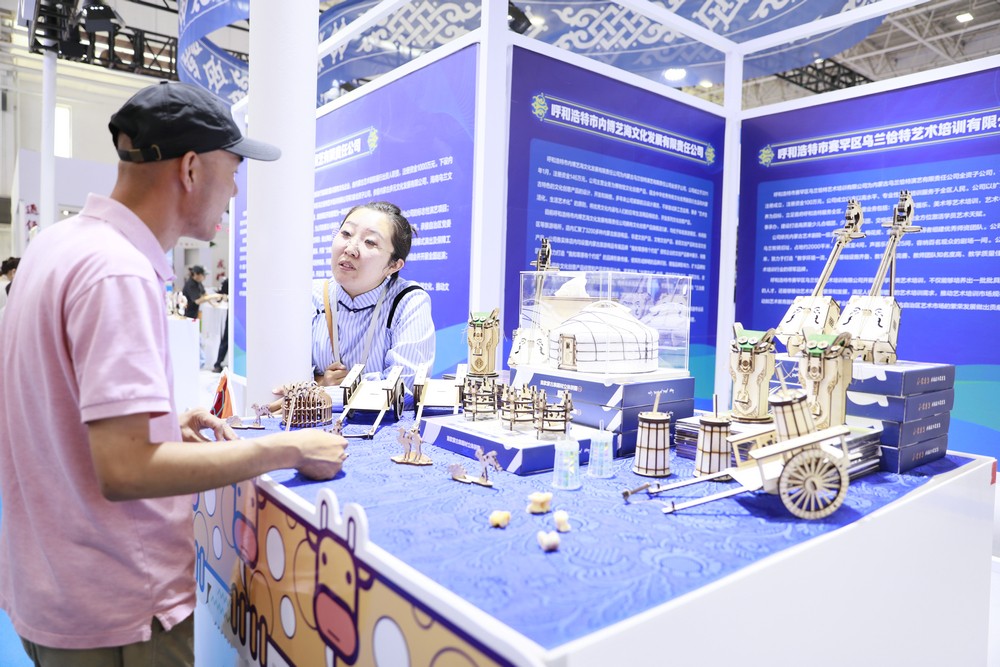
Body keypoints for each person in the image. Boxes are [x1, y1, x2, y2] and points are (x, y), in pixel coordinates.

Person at [0, 81, 348, 667]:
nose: (234, 192)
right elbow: (127, 469)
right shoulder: (117, 271)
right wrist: (286, 449)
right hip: (119, 608)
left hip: (51, 588)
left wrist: (159, 422)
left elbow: (52, 403)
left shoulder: (55, 246)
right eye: (233, 170)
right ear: (190, 168)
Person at [310, 201, 435, 397]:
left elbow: (406, 387)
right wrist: (320, 382)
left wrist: (327, 390)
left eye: (370, 242)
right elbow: (282, 375)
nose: (350, 249)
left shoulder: (407, 301)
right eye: (346, 233)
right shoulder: (310, 296)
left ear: (393, 265)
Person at [213, 276, 229, 372]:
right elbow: (221, 295)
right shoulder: (228, 281)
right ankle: (218, 363)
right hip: (233, 314)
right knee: (226, 339)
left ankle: (218, 363)